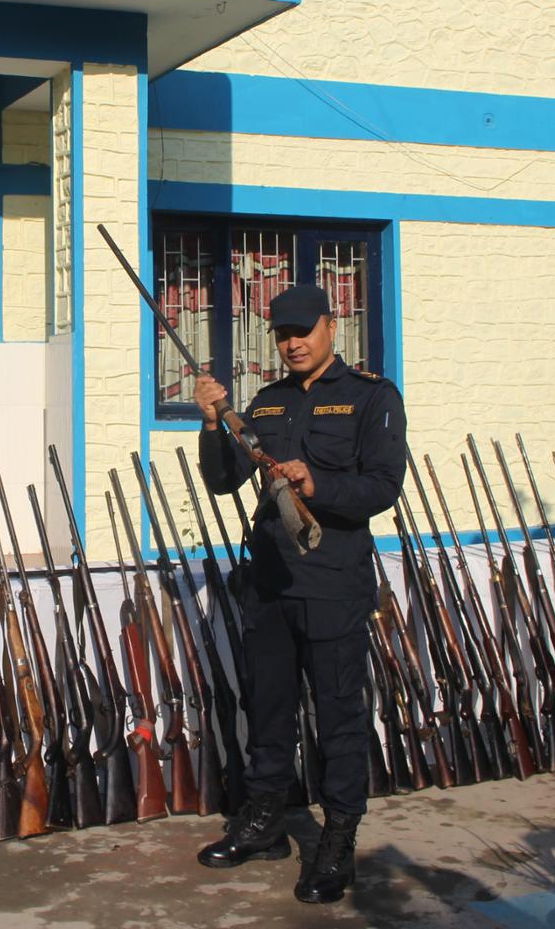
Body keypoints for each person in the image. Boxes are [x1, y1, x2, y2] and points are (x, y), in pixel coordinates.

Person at [193, 283, 406, 904]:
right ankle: (264, 822)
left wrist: (319, 485)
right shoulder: (267, 402)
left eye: (303, 331)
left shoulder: (371, 397)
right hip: (269, 581)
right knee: (268, 709)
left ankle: (337, 840)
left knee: (338, 716)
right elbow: (223, 480)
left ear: (330, 327)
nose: (292, 344)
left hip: (333, 582)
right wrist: (213, 421)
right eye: (282, 334)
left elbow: (383, 486)